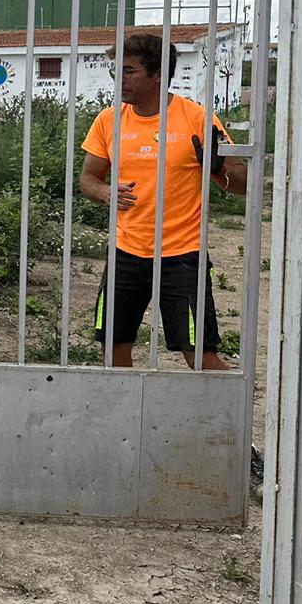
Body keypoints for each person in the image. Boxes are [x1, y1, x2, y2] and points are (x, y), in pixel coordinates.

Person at [79, 32, 248, 369]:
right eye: (117, 71)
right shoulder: (108, 121)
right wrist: (104, 192)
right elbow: (88, 178)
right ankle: (126, 419)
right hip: (126, 253)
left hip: (182, 256)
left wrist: (216, 170)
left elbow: (243, 184)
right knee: (113, 349)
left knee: (199, 355)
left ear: (158, 75)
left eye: (129, 71)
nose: (119, 79)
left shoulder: (197, 119)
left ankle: (227, 419)